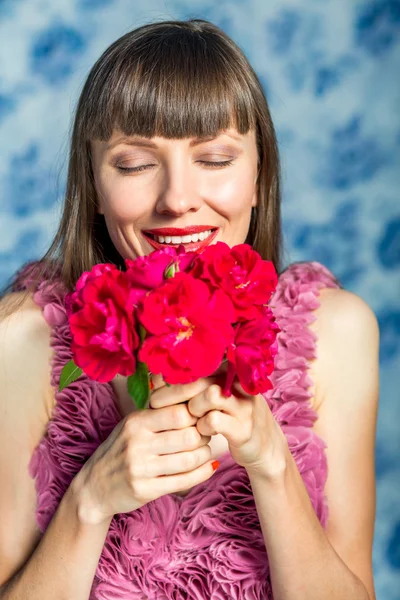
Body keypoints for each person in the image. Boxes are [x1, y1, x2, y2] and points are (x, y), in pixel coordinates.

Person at [0, 18, 378, 600]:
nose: (177, 199)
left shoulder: (336, 333)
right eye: (134, 164)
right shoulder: (21, 338)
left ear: (259, 177)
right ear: (94, 186)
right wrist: (90, 498)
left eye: (216, 159)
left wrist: (272, 466)